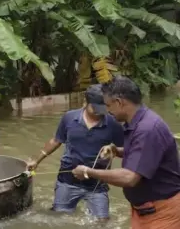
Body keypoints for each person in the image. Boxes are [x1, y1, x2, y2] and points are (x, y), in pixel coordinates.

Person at [72, 76, 180, 229]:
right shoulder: (136, 122)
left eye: (109, 105)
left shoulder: (147, 129)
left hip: (162, 213)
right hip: (144, 211)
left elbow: (130, 178)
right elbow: (144, 154)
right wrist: (117, 151)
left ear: (120, 102)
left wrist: (88, 172)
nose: (108, 111)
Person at [27, 84, 124, 220]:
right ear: (85, 103)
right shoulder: (69, 118)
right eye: (95, 108)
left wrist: (114, 150)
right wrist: (37, 160)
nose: (100, 112)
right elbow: (56, 140)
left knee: (102, 222)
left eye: (103, 108)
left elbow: (128, 150)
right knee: (60, 219)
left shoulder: (113, 123)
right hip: (68, 181)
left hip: (97, 184)